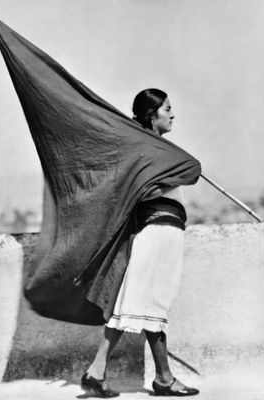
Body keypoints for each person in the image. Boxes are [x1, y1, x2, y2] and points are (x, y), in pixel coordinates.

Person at [80, 89, 200, 397]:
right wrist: (177, 166)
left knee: (138, 305)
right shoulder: (147, 150)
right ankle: (161, 379)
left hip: (163, 230)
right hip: (157, 231)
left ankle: (106, 372)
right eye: (167, 109)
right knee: (147, 304)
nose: (173, 114)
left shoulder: (156, 149)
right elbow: (175, 177)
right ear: (152, 115)